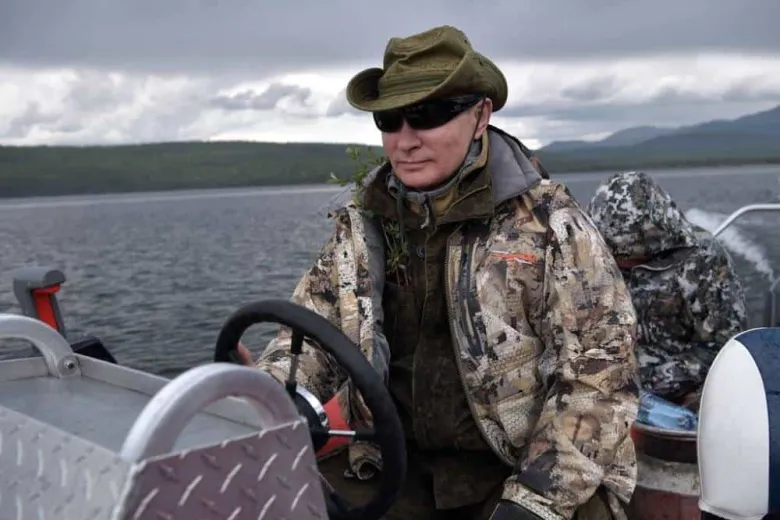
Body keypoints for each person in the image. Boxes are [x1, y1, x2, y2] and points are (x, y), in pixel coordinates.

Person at [240, 25, 640, 520]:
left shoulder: (550, 225)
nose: (405, 141)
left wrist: (535, 500)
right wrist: (278, 392)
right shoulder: (362, 229)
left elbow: (600, 374)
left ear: (480, 116)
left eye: (428, 115)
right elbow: (312, 334)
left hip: (518, 471)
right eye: (389, 119)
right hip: (393, 466)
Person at [586, 171, 747, 407]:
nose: (622, 263)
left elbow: (724, 344)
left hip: (684, 392)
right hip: (606, 386)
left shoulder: (703, 259)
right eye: (614, 255)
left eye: (631, 255)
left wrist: (649, 383)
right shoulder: (589, 255)